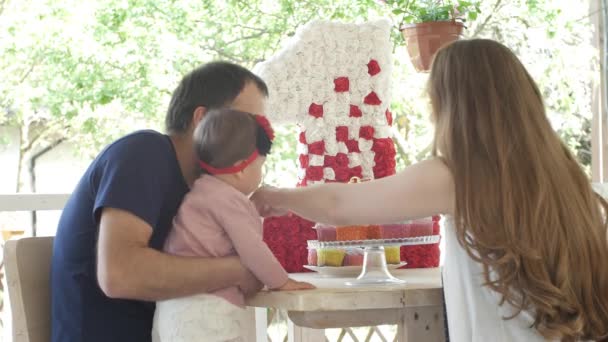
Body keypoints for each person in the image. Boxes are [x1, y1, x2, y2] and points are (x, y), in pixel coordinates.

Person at [252, 39, 608, 341]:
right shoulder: (567, 180)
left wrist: (275, 197)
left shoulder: (457, 177)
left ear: (453, 106)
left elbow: (338, 204)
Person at [51, 62, 272, 342]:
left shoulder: (203, 195)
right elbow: (120, 273)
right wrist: (238, 270)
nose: (256, 142)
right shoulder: (143, 153)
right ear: (202, 120)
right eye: (248, 124)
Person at [153, 109, 314, 341]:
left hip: (172, 309)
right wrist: (282, 281)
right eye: (260, 167)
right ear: (240, 169)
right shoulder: (229, 200)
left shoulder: (202, 191)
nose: (260, 174)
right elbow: (252, 249)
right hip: (208, 310)